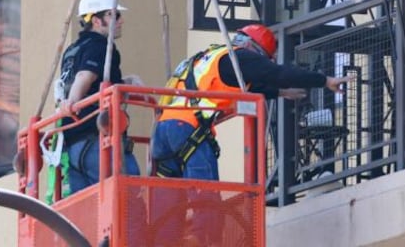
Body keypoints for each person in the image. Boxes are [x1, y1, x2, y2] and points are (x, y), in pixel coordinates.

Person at [151, 23, 354, 244]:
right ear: (251, 46)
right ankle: (205, 242)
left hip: (164, 130)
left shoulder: (209, 57)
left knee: (170, 200)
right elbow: (278, 73)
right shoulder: (241, 57)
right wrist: (324, 81)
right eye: (263, 58)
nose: (260, 65)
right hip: (188, 130)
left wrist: (277, 92)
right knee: (205, 198)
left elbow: (237, 85)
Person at [57, 0, 143, 194]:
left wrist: (125, 82)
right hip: (97, 142)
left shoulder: (73, 49)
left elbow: (88, 81)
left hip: (74, 146)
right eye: (114, 15)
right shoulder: (100, 45)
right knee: (128, 200)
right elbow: (85, 76)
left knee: (90, 213)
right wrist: (72, 102)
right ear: (96, 20)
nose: (120, 20)